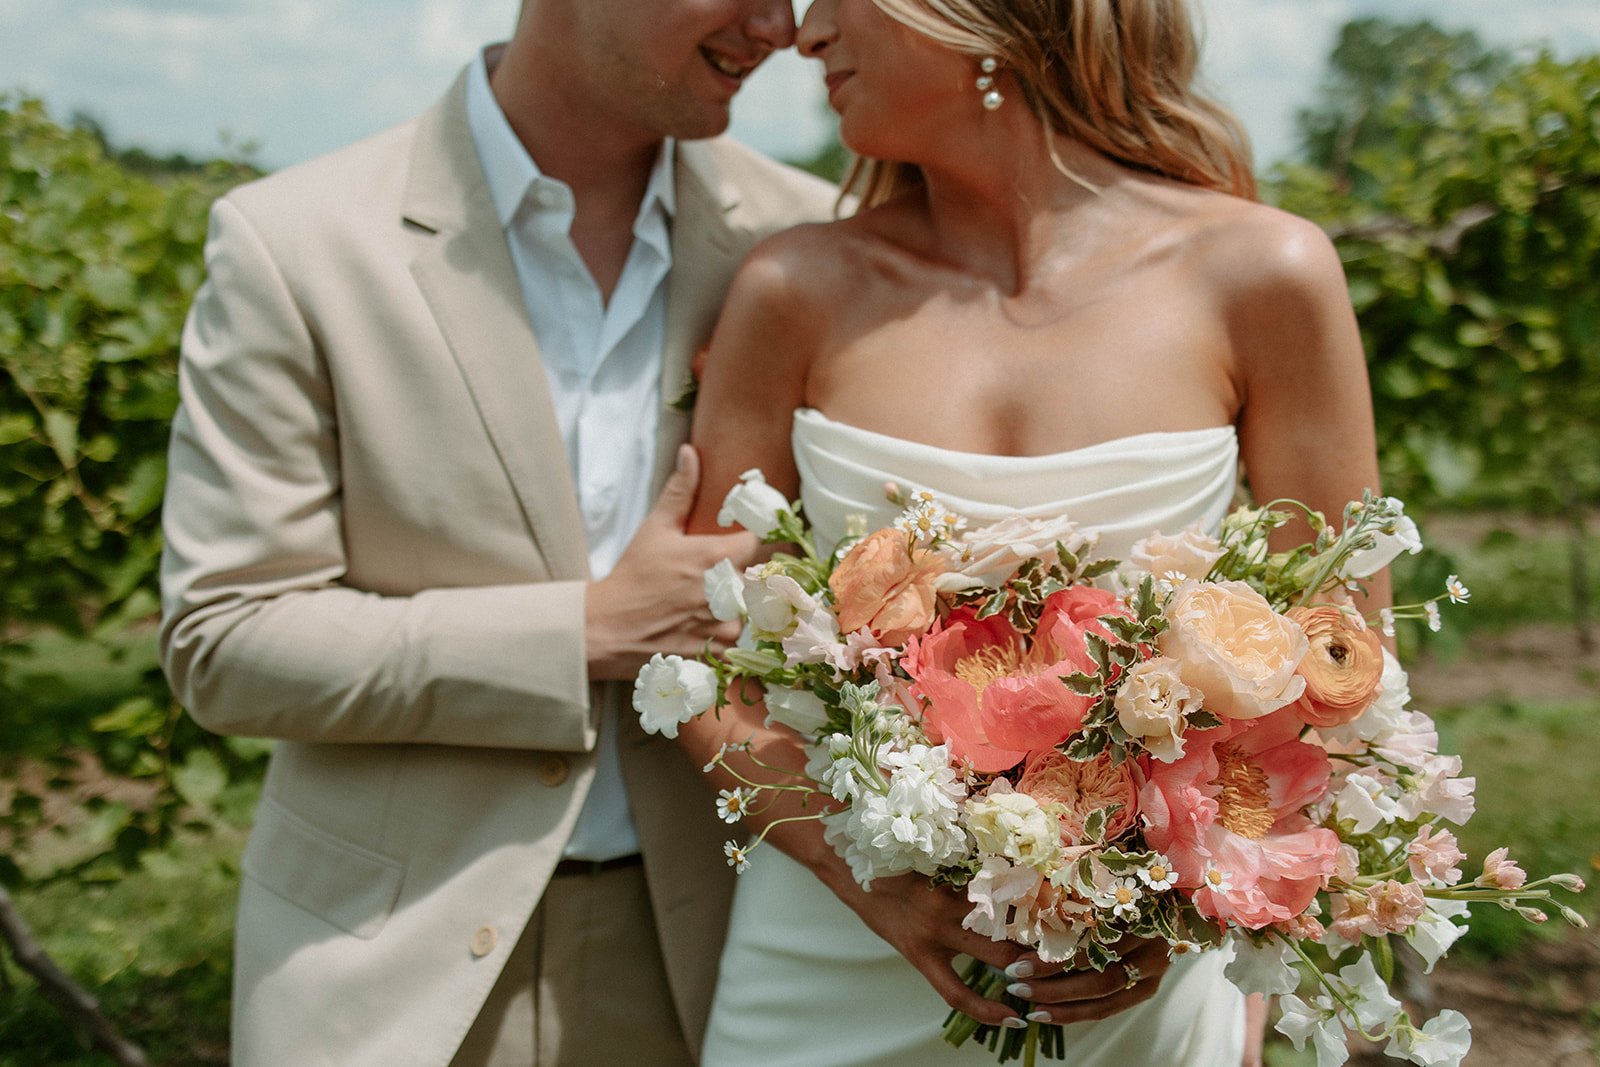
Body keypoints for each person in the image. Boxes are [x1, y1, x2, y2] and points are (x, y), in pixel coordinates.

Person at [672, 0, 1389, 1064]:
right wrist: (863, 873)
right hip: (826, 949)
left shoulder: (1263, 275)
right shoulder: (793, 290)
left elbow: (1343, 664)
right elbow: (698, 648)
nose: (806, 33)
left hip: (1131, 976)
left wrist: (1189, 916)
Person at [156, 1, 834, 1064]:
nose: (779, 26)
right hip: (385, 978)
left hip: (721, 963)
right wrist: (584, 630)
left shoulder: (809, 243)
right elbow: (225, 640)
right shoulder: (294, 242)